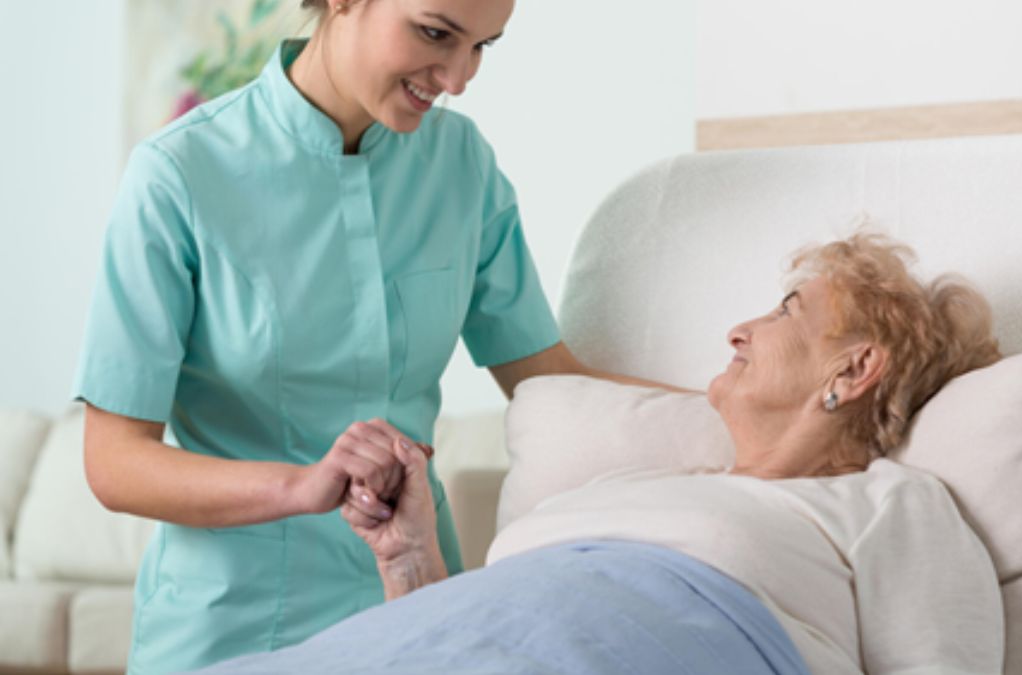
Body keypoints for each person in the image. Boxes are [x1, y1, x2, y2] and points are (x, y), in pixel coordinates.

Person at [74, 0, 653, 672]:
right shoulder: (180, 174)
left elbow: (550, 381)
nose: (458, 77)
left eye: (482, 47)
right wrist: (299, 487)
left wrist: (747, 408)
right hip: (232, 629)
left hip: (417, 618)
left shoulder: (461, 164)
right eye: (436, 34)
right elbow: (114, 460)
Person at [197, 233, 1007, 674]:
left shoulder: (889, 503)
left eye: (787, 310)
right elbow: (454, 637)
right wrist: (408, 557)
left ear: (855, 368)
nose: (740, 329)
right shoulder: (627, 485)